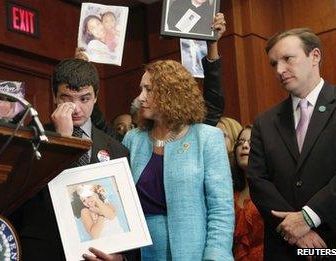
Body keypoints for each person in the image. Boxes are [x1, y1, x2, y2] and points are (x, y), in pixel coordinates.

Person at [85, 14, 233, 261]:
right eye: (141, 88)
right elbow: (121, 204)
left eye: (149, 90)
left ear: (172, 94)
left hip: (196, 254)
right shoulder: (134, 139)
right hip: (142, 253)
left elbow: (221, 210)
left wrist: (215, 257)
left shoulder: (207, 138)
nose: (140, 97)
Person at [14, 58, 131, 260]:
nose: (76, 108)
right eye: (67, 99)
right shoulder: (29, 138)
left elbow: (125, 211)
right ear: (55, 97)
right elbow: (22, 196)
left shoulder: (117, 149)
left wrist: (121, 257)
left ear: (96, 97)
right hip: (45, 251)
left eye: (84, 99)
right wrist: (63, 141)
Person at [247, 28, 336, 260]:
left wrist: (309, 217)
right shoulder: (264, 122)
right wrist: (294, 229)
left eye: (287, 59)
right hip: (285, 247)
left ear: (315, 56)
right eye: (273, 64)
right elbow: (258, 181)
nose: (279, 70)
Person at [232, 125, 264, 260]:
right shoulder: (230, 194)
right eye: (240, 143)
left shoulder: (274, 190)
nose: (244, 146)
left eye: (251, 143)